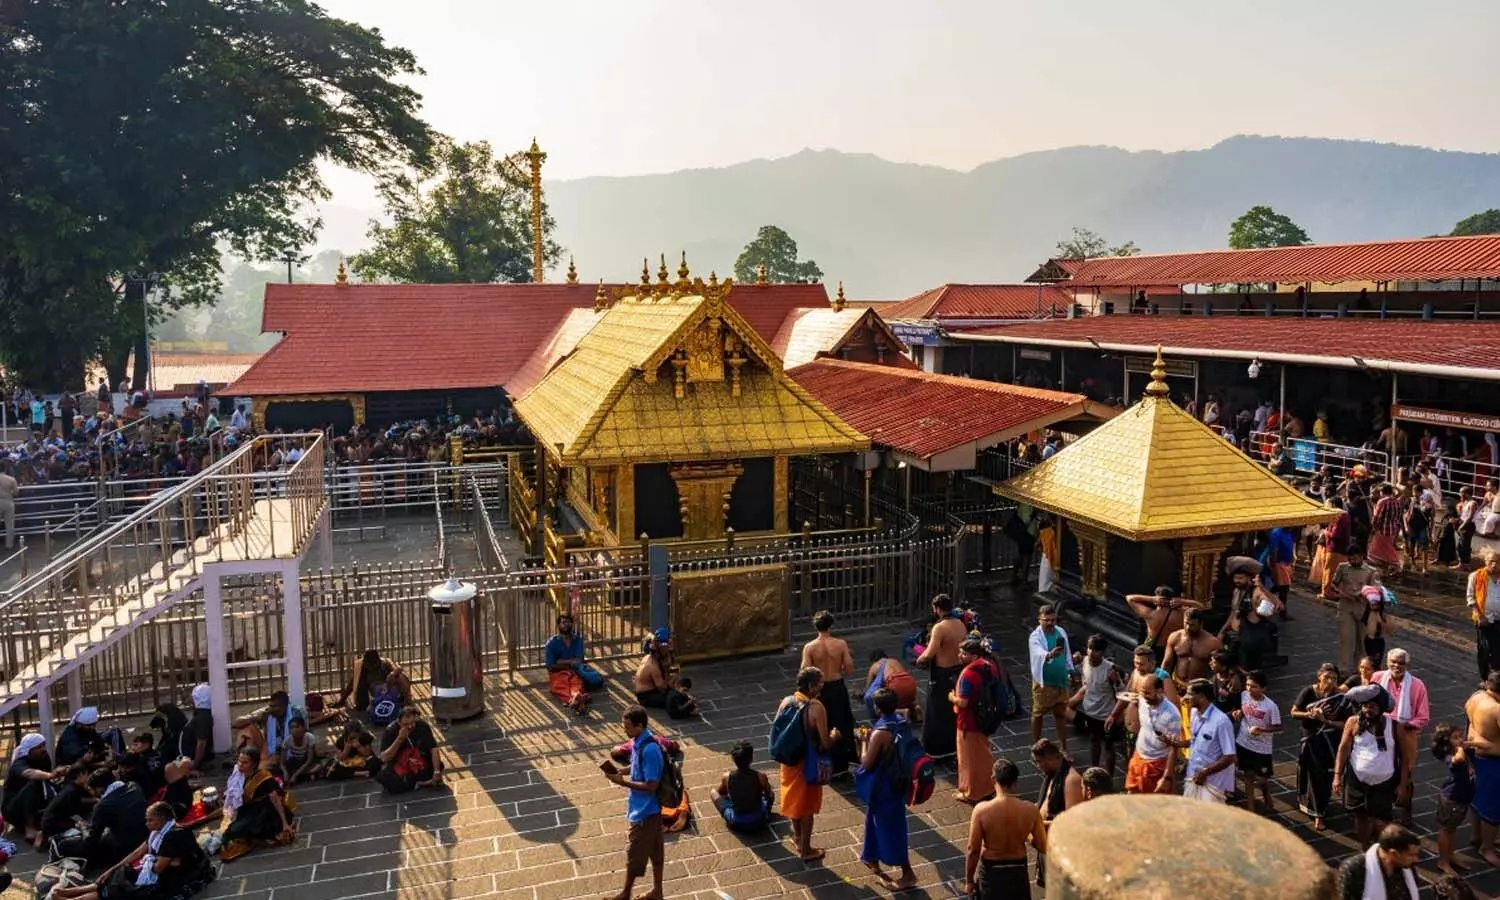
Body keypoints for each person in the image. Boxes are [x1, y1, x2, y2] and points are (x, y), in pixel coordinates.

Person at [49, 801, 217, 900]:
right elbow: (137, 853)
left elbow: (159, 868)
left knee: (119, 890)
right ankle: (70, 892)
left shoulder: (173, 836)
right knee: (116, 875)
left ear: (160, 820)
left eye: (150, 820)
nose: (147, 824)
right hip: (159, 871)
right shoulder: (158, 833)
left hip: (173, 880)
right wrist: (111, 870)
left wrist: (149, 862)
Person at [776, 666, 839, 862]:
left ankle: (797, 838)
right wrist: (835, 736)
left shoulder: (786, 702)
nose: (821, 687)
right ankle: (806, 850)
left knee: (793, 802)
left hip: (789, 761)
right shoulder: (816, 708)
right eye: (819, 684)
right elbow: (824, 744)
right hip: (807, 762)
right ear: (811, 686)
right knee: (806, 809)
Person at [603, 706, 665, 900]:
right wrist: (623, 771)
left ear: (640, 726)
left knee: (634, 853)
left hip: (646, 811)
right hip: (645, 809)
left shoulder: (651, 749)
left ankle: (626, 893)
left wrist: (623, 783)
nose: (625, 730)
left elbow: (651, 785)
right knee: (655, 851)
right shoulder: (639, 741)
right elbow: (638, 763)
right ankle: (657, 891)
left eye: (628, 727)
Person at [858, 687, 916, 889]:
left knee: (891, 827)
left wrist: (864, 741)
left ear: (877, 708)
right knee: (874, 819)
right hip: (899, 781)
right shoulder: (901, 722)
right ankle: (871, 856)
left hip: (885, 786)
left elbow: (866, 763)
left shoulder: (880, 733)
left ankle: (908, 873)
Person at [964, 759, 1047, 900]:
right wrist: (1025, 835)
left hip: (991, 871)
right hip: (1017, 870)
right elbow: (1041, 845)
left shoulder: (981, 810)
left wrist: (969, 881)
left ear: (993, 779)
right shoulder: (1030, 810)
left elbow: (973, 849)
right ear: (1015, 782)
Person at [1335, 684, 1403, 847]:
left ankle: (1382, 847)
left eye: (1372, 706)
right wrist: (1337, 776)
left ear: (1380, 708)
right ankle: (1365, 847)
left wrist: (1402, 783)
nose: (1368, 710)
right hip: (1357, 780)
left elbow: (1405, 757)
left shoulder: (1394, 726)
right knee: (1361, 816)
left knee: (1383, 820)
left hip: (1384, 782)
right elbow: (1343, 748)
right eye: (1365, 706)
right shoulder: (1353, 722)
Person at [1291, 663, 1352, 832]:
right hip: (1310, 741)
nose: (1330, 681)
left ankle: (1320, 813)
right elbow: (1294, 712)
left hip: (1329, 742)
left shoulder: (1340, 698)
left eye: (1334, 678)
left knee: (1323, 777)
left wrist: (1326, 721)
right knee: (1309, 774)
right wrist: (1310, 714)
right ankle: (1310, 805)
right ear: (1319, 677)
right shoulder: (1308, 692)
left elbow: (1347, 723)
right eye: (1327, 677)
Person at [1372, 649, 1428, 827]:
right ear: (1387, 663)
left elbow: (1423, 716)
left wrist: (1404, 726)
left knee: (1406, 774)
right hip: (1380, 733)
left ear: (1407, 665)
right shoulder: (1377, 678)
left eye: (1401, 663)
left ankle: (1406, 811)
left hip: (1405, 735)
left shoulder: (1417, 685)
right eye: (1393, 662)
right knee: (1382, 772)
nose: (1397, 666)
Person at [56, 769, 149, 869]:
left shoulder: (103, 806)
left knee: (63, 845)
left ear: (100, 789)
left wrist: (83, 828)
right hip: (144, 840)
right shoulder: (134, 786)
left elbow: (90, 843)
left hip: (123, 849)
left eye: (93, 790)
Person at [801, 610, 856, 776]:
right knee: (841, 723)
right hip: (837, 686)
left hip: (820, 689)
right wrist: (838, 672)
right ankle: (842, 764)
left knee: (821, 726)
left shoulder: (809, 647)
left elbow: (805, 670)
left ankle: (824, 763)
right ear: (831, 626)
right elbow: (849, 667)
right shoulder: (840, 644)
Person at [219, 748, 296, 862]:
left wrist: (285, 823)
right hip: (246, 809)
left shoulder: (263, 777)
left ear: (254, 763)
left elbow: (275, 799)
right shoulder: (238, 774)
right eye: (239, 761)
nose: (240, 765)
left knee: (239, 830)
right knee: (232, 831)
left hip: (263, 811)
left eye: (245, 762)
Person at [916, 594, 967, 758]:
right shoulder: (960, 624)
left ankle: (938, 749)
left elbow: (929, 653)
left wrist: (919, 657)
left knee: (937, 713)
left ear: (937, 609)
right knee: (952, 712)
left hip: (942, 674)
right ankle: (954, 745)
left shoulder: (940, 627)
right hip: (958, 670)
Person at [1068, 634, 1124, 776]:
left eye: (1096, 650)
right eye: (1090, 648)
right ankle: (1094, 770)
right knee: (1094, 742)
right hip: (1090, 712)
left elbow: (1122, 691)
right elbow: (1077, 675)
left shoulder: (1110, 669)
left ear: (1103, 652)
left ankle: (1109, 776)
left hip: (1106, 714)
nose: (1092, 652)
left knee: (1109, 746)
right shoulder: (1084, 661)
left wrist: (1116, 681)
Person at [952, 638, 998, 804]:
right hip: (986, 717)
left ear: (974, 655)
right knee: (984, 754)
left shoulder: (968, 675)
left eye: (964, 653)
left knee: (969, 759)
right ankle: (989, 787)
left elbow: (963, 702)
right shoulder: (989, 666)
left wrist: (952, 698)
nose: (960, 656)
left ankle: (972, 792)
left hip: (969, 721)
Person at [1177, 679, 1237, 803]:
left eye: (1190, 694)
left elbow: (1230, 757)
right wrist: (1176, 744)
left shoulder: (1221, 721)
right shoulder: (1194, 713)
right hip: (1193, 775)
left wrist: (1205, 771)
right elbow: (1195, 740)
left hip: (1212, 783)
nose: (1186, 697)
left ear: (1201, 696)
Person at [1031, 739, 1080, 888]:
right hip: (1046, 844)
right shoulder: (1053, 774)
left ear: (1053, 758)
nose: (1039, 766)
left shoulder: (1072, 780)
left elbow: (1071, 822)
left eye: (1040, 761)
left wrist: (1036, 824)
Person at [1463, 671, 1500, 870]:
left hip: (1474, 755)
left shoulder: (1475, 697)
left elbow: (1468, 724)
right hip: (1493, 762)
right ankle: (1487, 848)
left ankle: (1476, 836)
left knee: (1477, 800)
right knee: (1492, 808)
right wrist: (1488, 745)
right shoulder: (1497, 710)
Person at [3, 732, 66, 846]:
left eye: (43, 745)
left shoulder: (44, 757)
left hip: (34, 802)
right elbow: (30, 773)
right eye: (38, 747)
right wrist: (51, 775)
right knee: (33, 783)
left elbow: (46, 782)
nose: (42, 749)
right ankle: (29, 828)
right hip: (13, 808)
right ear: (29, 750)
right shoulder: (19, 763)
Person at [1234, 670, 1283, 812]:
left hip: (1262, 748)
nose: (1249, 689)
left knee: (1262, 779)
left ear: (1263, 688)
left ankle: (1266, 793)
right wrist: (1239, 712)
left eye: (1254, 686)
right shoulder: (1243, 696)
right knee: (1248, 776)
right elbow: (1243, 709)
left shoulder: (1270, 706)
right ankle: (1250, 806)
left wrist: (1262, 730)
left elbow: (1279, 726)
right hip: (1243, 742)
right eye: (1248, 685)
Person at [1124, 673, 1181, 795]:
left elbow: (1173, 748)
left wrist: (1167, 777)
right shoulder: (1142, 700)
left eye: (1148, 693)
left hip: (1157, 763)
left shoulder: (1172, 715)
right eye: (1142, 692)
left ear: (1159, 691)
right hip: (1138, 755)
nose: (1144, 696)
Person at [1027, 605, 1073, 752]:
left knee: (1060, 714)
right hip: (1044, 681)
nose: (1050, 623)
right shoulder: (1035, 636)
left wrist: (1070, 669)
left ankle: (1064, 747)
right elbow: (1038, 652)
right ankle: (1036, 747)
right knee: (1038, 713)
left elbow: (1067, 653)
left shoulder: (1061, 632)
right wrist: (1049, 654)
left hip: (1060, 679)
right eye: (1046, 620)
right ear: (1039, 619)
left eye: (1053, 620)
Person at [1431, 722, 1474, 877]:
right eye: (1455, 738)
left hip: (1462, 799)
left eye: (1460, 736)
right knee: (1445, 829)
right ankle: (1443, 861)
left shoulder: (1460, 751)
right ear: (1446, 743)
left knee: (1452, 829)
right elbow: (1459, 758)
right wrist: (1462, 746)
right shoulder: (1451, 757)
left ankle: (1450, 855)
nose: (1460, 739)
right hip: (1451, 800)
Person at [1335, 823, 1420, 900]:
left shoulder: (1407, 867)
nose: (1416, 859)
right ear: (1394, 853)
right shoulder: (1355, 869)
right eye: (1411, 855)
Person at [1123, 587, 1206, 663]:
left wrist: (1151, 599)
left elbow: (1129, 598)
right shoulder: (1181, 613)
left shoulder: (1151, 614)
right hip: (1171, 649)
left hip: (1151, 645)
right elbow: (1201, 607)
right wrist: (1182, 601)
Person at [1332, 547, 1381, 673]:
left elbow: (1376, 589)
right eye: (1350, 559)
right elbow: (1333, 584)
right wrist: (1341, 593)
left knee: (1362, 641)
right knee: (1346, 639)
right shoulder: (1342, 567)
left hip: (1363, 608)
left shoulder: (1371, 571)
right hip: (1345, 606)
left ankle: (1360, 669)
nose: (1352, 561)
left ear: (1361, 556)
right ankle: (1343, 669)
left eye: (1354, 558)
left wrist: (1365, 594)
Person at [545, 614, 603, 716]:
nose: (566, 625)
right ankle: (578, 700)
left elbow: (579, 660)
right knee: (559, 686)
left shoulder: (578, 640)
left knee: (576, 684)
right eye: (563, 622)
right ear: (558, 625)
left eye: (568, 622)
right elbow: (551, 666)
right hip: (558, 672)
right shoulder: (551, 643)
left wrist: (561, 661)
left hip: (574, 670)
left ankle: (576, 699)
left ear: (572, 624)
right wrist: (570, 663)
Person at [376, 706, 443, 794]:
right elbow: (384, 758)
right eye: (406, 724)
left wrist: (437, 771)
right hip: (401, 765)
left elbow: (433, 749)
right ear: (399, 722)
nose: (410, 726)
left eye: (412, 723)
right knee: (383, 777)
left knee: (438, 765)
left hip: (419, 763)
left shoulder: (422, 726)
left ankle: (413, 783)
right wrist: (399, 739)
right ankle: (423, 783)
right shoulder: (390, 731)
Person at [232, 690, 304, 770]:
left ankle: (253, 765)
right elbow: (236, 723)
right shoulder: (267, 712)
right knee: (246, 729)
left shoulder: (296, 713)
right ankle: (245, 758)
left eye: (275, 706)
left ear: (285, 706)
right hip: (268, 749)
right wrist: (256, 718)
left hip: (287, 752)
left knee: (259, 769)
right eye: (270, 706)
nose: (271, 709)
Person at [711, 741, 772, 833]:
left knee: (713, 792)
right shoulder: (761, 776)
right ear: (751, 759)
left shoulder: (727, 777)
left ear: (733, 759)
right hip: (758, 820)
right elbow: (768, 793)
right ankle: (766, 814)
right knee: (770, 795)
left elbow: (721, 792)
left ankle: (731, 816)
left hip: (737, 822)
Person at [336, 649, 411, 723]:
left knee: (401, 677)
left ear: (378, 662)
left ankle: (407, 702)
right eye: (369, 666)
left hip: (389, 690)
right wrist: (342, 700)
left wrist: (392, 675)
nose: (372, 668)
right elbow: (352, 684)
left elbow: (399, 668)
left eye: (374, 666)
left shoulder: (385, 663)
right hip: (375, 694)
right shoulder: (361, 667)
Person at [634, 629, 697, 717]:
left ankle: (683, 697)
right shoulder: (652, 666)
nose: (669, 649)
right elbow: (663, 689)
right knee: (675, 696)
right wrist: (676, 687)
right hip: (647, 696)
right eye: (667, 647)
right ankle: (685, 709)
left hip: (655, 687)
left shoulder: (653, 657)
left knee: (682, 681)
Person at [1470, 549, 1500, 680]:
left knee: (1498, 652)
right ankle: (1485, 678)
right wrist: (1480, 615)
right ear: (1485, 562)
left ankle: (1496, 679)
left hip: (1499, 620)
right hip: (1484, 620)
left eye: (1498, 562)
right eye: (1491, 561)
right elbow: (1470, 598)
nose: (1494, 564)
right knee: (1484, 651)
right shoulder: (1476, 576)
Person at [863, 650, 918, 721]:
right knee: (905, 699)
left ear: (873, 660)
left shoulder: (875, 665)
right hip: (910, 682)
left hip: (895, 684)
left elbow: (869, 687)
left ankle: (901, 712)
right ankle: (915, 708)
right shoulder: (894, 661)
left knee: (882, 706)